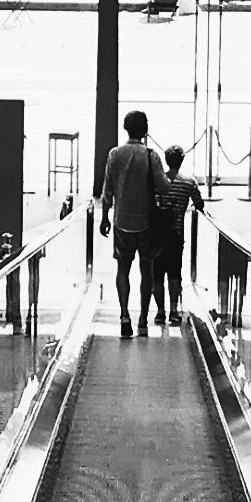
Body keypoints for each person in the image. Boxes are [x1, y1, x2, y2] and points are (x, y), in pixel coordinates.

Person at [98, 109, 165, 335]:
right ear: (145, 130)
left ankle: (124, 315)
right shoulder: (151, 156)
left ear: (126, 128)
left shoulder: (115, 154)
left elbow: (107, 189)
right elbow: (163, 186)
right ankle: (143, 319)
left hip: (121, 222)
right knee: (147, 270)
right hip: (146, 224)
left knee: (122, 269)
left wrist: (105, 216)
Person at [150, 143, 195, 328]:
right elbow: (199, 203)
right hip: (177, 234)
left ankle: (160, 312)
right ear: (182, 161)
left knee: (157, 274)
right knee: (175, 273)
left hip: (157, 234)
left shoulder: (157, 181)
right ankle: (174, 311)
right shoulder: (188, 182)